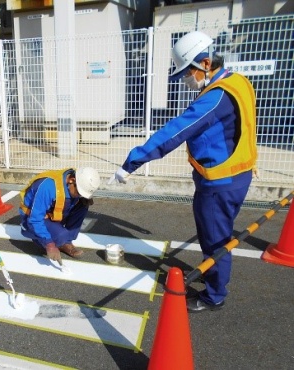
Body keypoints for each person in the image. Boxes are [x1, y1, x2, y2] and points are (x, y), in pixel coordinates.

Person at [110, 31, 257, 313]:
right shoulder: (237, 82)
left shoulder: (213, 99)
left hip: (219, 183)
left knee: (215, 239)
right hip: (239, 174)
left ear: (204, 63)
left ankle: (214, 294)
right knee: (219, 233)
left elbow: (174, 132)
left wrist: (132, 161)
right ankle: (212, 273)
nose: (187, 79)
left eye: (188, 71)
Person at [19, 167, 101, 265]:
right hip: (31, 220)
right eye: (79, 192)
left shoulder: (74, 179)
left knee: (83, 205)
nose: (80, 195)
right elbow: (35, 220)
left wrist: (84, 198)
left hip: (52, 213)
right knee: (60, 235)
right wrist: (49, 244)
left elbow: (70, 199)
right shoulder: (48, 187)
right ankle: (44, 242)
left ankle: (65, 242)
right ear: (72, 180)